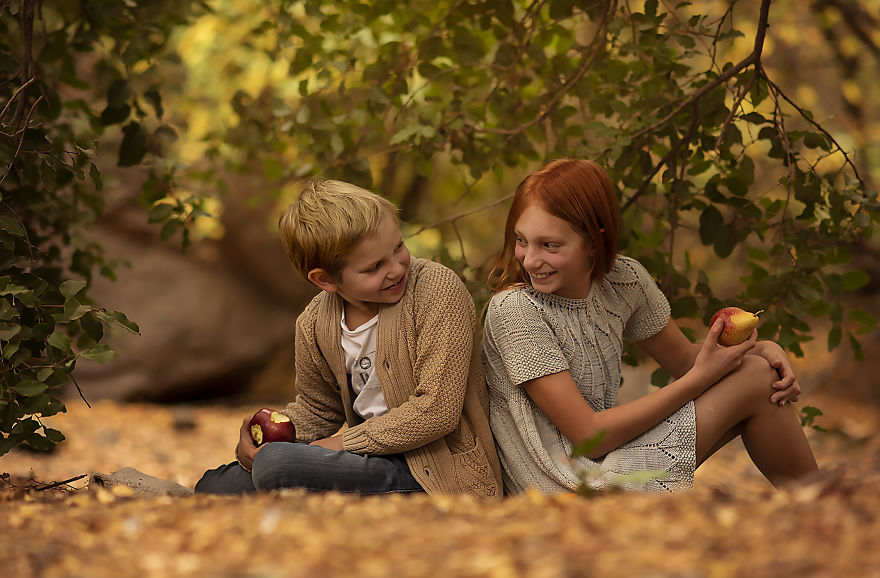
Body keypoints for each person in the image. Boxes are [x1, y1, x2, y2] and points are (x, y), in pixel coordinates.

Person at [481, 158, 818, 494]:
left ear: (594, 241)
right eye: (521, 240)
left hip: (611, 459)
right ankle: (818, 502)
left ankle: (818, 508)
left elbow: (686, 361)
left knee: (761, 373)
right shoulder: (516, 310)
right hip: (564, 487)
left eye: (549, 245)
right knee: (756, 378)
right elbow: (589, 436)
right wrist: (702, 378)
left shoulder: (623, 282)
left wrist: (763, 349)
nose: (529, 259)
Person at [195, 179, 502, 498]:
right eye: (374, 267)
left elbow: (437, 410)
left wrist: (340, 444)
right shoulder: (315, 323)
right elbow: (318, 409)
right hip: (365, 460)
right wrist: (263, 443)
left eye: (398, 247)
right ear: (325, 279)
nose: (396, 269)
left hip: (435, 470)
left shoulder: (435, 291)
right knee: (217, 484)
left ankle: (303, 485)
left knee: (276, 467)